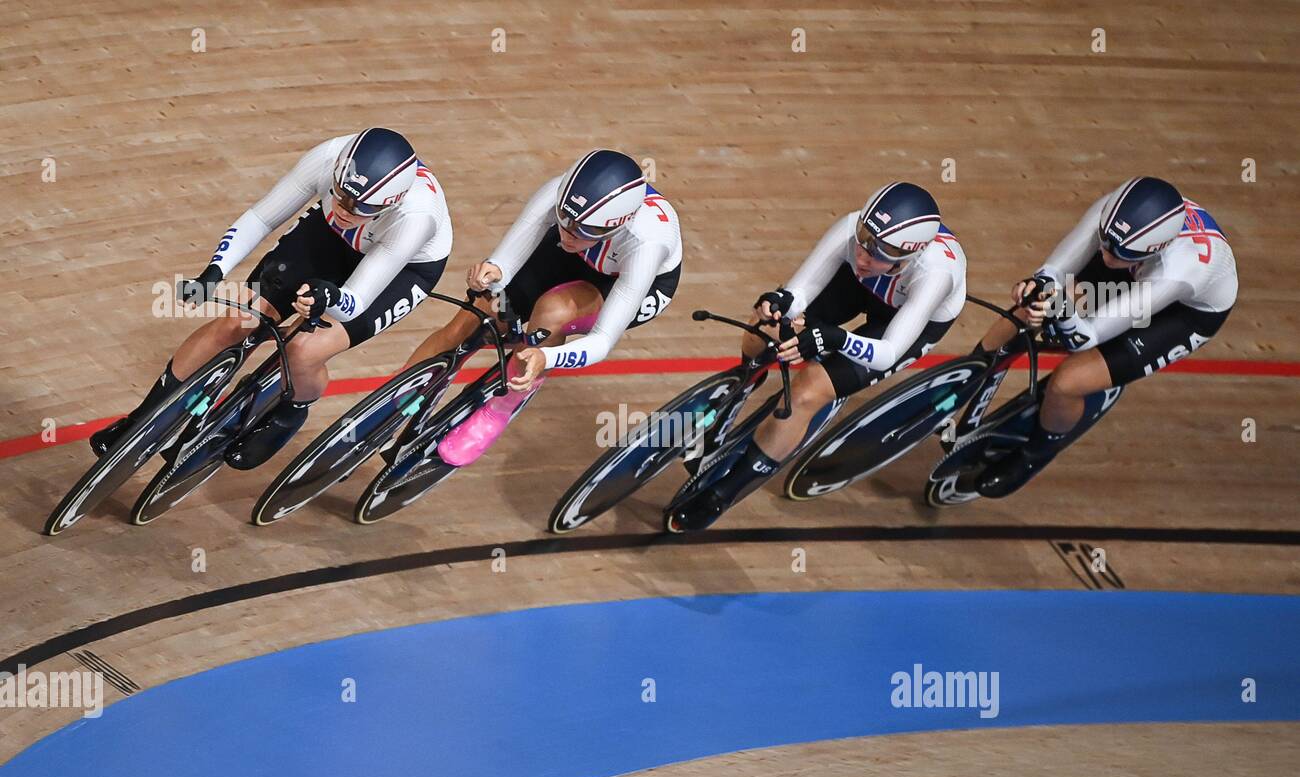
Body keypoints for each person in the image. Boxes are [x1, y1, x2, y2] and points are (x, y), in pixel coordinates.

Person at [90, 128, 453, 469]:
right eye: (340, 195)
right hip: (330, 238)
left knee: (302, 350)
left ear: (388, 204)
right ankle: (142, 421)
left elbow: (356, 301)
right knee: (239, 320)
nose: (345, 208)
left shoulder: (415, 218)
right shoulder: (329, 157)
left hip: (401, 270)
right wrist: (214, 273)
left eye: (360, 208)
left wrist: (329, 296)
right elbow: (261, 218)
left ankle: (290, 410)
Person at [670, 181, 966, 531]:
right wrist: (779, 304)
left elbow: (887, 352)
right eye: (862, 239)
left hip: (901, 324)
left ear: (906, 257)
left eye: (877, 251)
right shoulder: (854, 233)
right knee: (762, 329)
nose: (861, 255)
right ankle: (734, 401)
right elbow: (798, 292)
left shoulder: (935, 275)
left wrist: (836, 338)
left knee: (807, 392)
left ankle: (724, 492)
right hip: (861, 287)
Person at [396, 148, 683, 466]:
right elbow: (506, 261)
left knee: (552, 313)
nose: (569, 234)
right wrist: (493, 272)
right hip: (574, 257)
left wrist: (548, 355)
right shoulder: (560, 200)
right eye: (564, 221)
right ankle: (393, 401)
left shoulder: (646, 244)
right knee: (478, 316)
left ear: (616, 227)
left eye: (582, 231)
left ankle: (501, 408)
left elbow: (602, 341)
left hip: (626, 282)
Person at [972, 176, 1237, 496]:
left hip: (1182, 313)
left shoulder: (1179, 269)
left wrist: (1066, 315)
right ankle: (971, 371)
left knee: (1068, 383)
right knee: (1028, 311)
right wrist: (1040, 289)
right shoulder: (1116, 216)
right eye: (1105, 241)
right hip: (1136, 269)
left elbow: (1085, 336)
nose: (1106, 255)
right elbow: (1053, 272)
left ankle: (1035, 454)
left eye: (1118, 251)